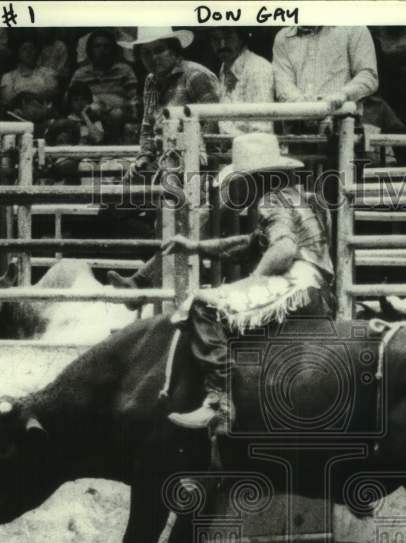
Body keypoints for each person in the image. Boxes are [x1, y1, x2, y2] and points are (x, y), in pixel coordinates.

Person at [160, 132, 336, 431]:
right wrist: (195, 246)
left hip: (298, 282)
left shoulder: (270, 201)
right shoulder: (300, 198)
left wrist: (254, 281)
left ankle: (219, 403)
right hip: (319, 287)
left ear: (251, 178)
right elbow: (252, 244)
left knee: (203, 304)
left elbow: (283, 248)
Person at [122, 27, 219, 177]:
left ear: (174, 51)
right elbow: (147, 127)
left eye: (159, 50)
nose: (153, 58)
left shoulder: (195, 75)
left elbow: (213, 125)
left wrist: (193, 158)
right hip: (165, 160)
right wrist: (143, 158)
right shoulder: (151, 80)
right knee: (126, 181)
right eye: (146, 53)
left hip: (198, 163)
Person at [272, 26, 378, 114]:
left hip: (343, 125)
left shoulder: (355, 28)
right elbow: (283, 83)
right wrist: (305, 108)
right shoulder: (283, 37)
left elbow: (368, 75)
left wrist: (343, 95)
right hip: (297, 127)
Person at [68, 29, 139, 143]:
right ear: (90, 50)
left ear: (113, 49)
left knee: (117, 114)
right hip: (88, 115)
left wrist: (111, 105)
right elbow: (71, 99)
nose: (102, 50)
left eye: (107, 46)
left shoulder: (124, 70)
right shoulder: (81, 73)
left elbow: (133, 99)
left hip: (117, 117)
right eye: (97, 46)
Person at [209, 27, 274, 136]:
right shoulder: (224, 67)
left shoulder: (257, 68)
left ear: (242, 38)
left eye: (228, 37)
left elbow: (262, 129)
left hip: (251, 149)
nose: (222, 45)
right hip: (228, 148)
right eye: (215, 39)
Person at [0, 36, 60, 108]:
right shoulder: (8, 77)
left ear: (36, 52)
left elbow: (53, 94)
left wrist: (25, 95)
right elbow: (7, 101)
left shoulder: (48, 73)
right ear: (18, 53)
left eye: (32, 48)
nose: (28, 52)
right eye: (24, 49)